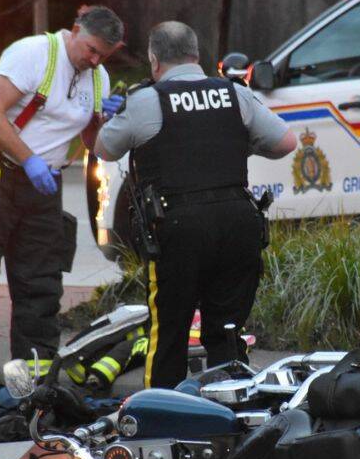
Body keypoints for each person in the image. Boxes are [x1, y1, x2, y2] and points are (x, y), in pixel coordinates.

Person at [0, 6, 125, 392]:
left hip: (40, 186)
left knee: (41, 284)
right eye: (90, 50)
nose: (94, 60)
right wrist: (29, 159)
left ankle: (34, 387)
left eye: (104, 54)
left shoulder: (98, 77)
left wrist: (105, 121)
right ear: (74, 31)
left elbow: (91, 144)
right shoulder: (32, 54)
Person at [95, 21, 296, 389]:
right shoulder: (234, 93)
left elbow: (105, 148)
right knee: (227, 332)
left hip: (177, 228)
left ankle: (162, 416)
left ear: (154, 61)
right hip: (238, 224)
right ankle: (233, 412)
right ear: (197, 56)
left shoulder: (146, 100)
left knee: (169, 331)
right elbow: (286, 142)